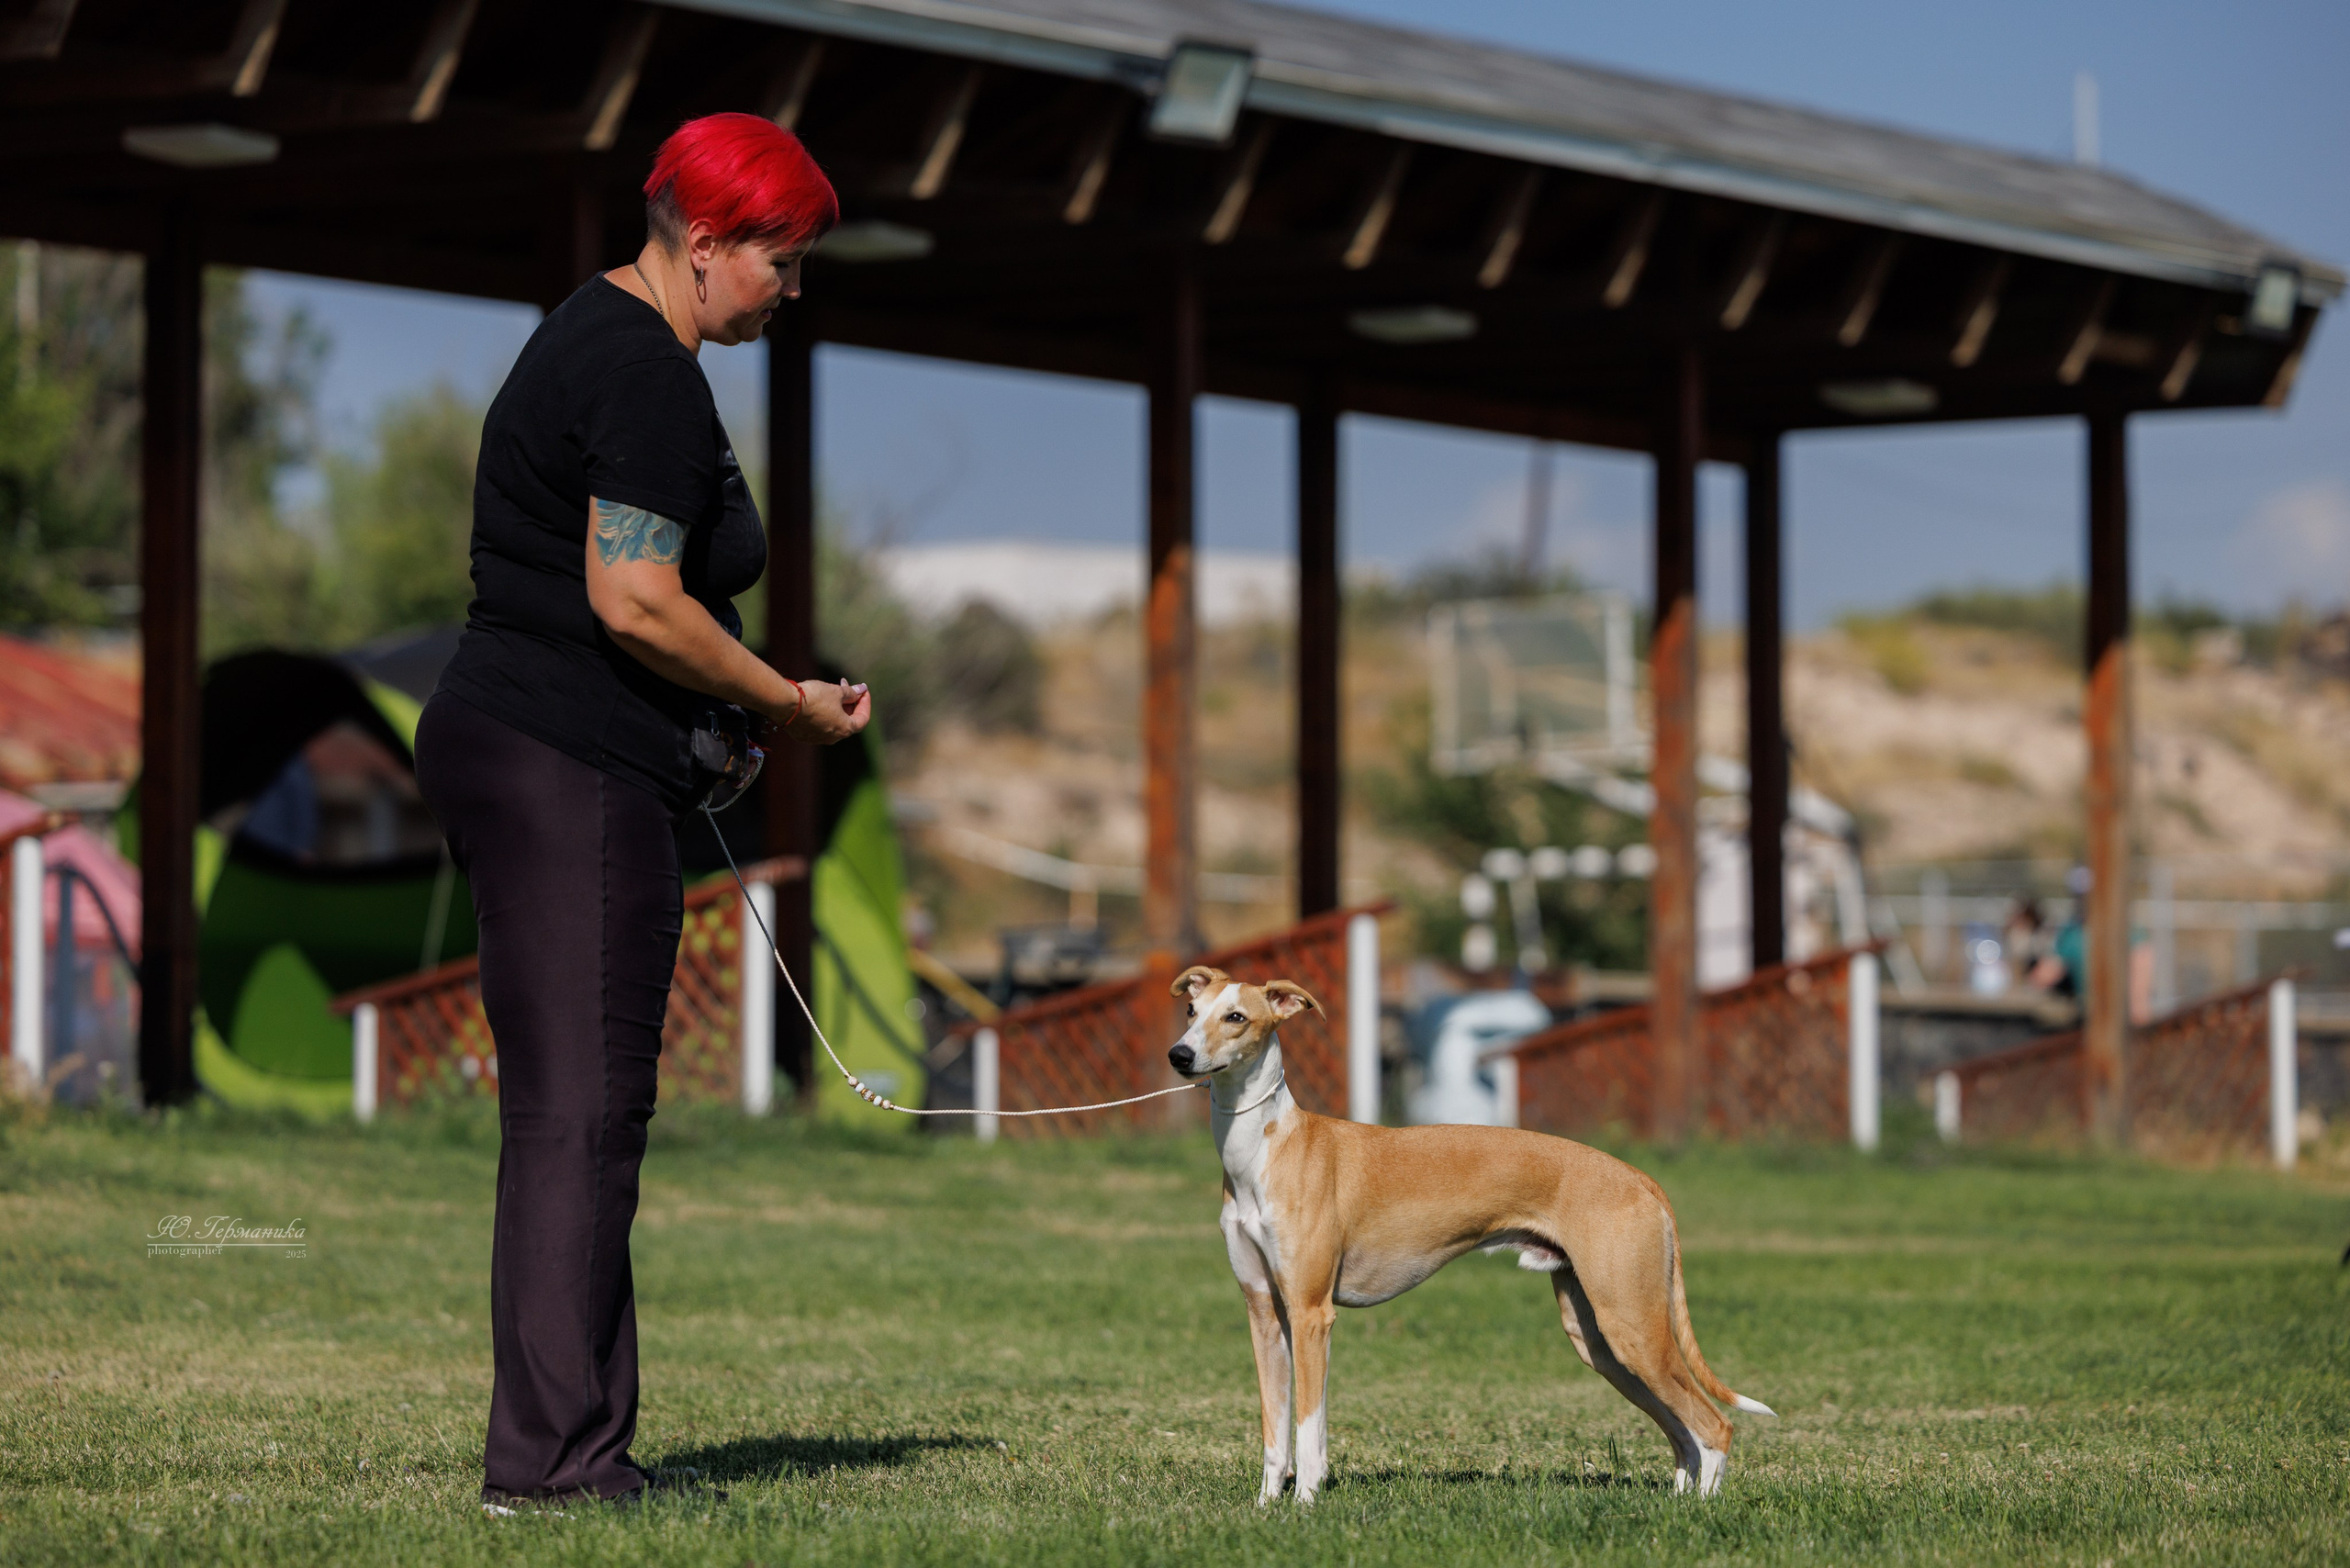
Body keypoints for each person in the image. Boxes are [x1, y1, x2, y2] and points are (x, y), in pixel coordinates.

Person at [413, 113, 867, 1512]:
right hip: (562, 771)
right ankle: (549, 1468)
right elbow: (634, 599)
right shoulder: (642, 371)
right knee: (579, 1118)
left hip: (545, 746)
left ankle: (580, 1446)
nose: (791, 294)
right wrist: (783, 704)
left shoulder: (594, 337)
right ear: (709, 243)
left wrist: (707, 724)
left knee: (586, 1114)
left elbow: (612, 600)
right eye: (782, 266)